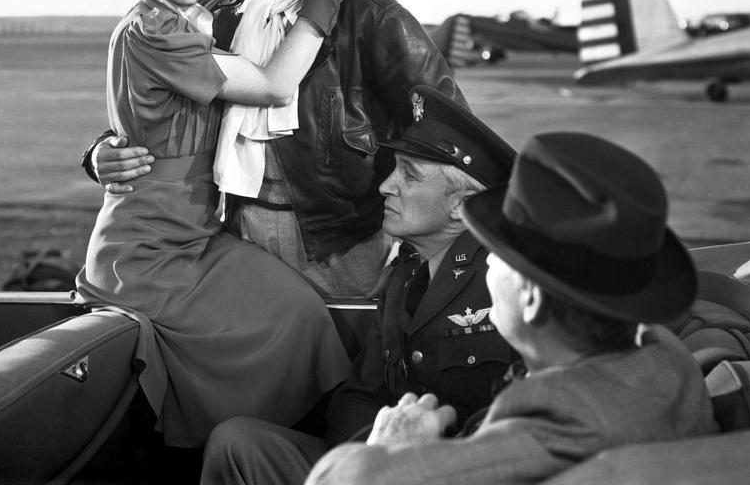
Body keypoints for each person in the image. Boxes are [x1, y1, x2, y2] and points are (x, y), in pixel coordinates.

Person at [75, 0, 367, 448]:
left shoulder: (202, 10)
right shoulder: (154, 30)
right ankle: (240, 453)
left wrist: (100, 151)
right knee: (274, 329)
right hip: (150, 243)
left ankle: (296, 451)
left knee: (300, 313)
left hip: (200, 231)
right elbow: (272, 86)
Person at [83, 0, 465, 296]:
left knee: (346, 356)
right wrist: (101, 153)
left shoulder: (371, 16)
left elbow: (447, 132)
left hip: (341, 242)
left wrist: (427, 236)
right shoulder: (215, 16)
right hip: (232, 234)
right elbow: (166, 112)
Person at [305, 132, 719, 485]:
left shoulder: (548, 426)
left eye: (496, 257)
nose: (485, 269)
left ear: (533, 299)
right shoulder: (665, 357)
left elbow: (345, 479)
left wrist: (390, 450)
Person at [199, 85, 518, 485]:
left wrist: (404, 460)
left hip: (453, 471)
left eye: (410, 175)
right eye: (394, 168)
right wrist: (368, 454)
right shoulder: (405, 274)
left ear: (459, 206)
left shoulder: (501, 279)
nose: (387, 185)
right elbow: (360, 394)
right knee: (236, 441)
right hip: (382, 463)